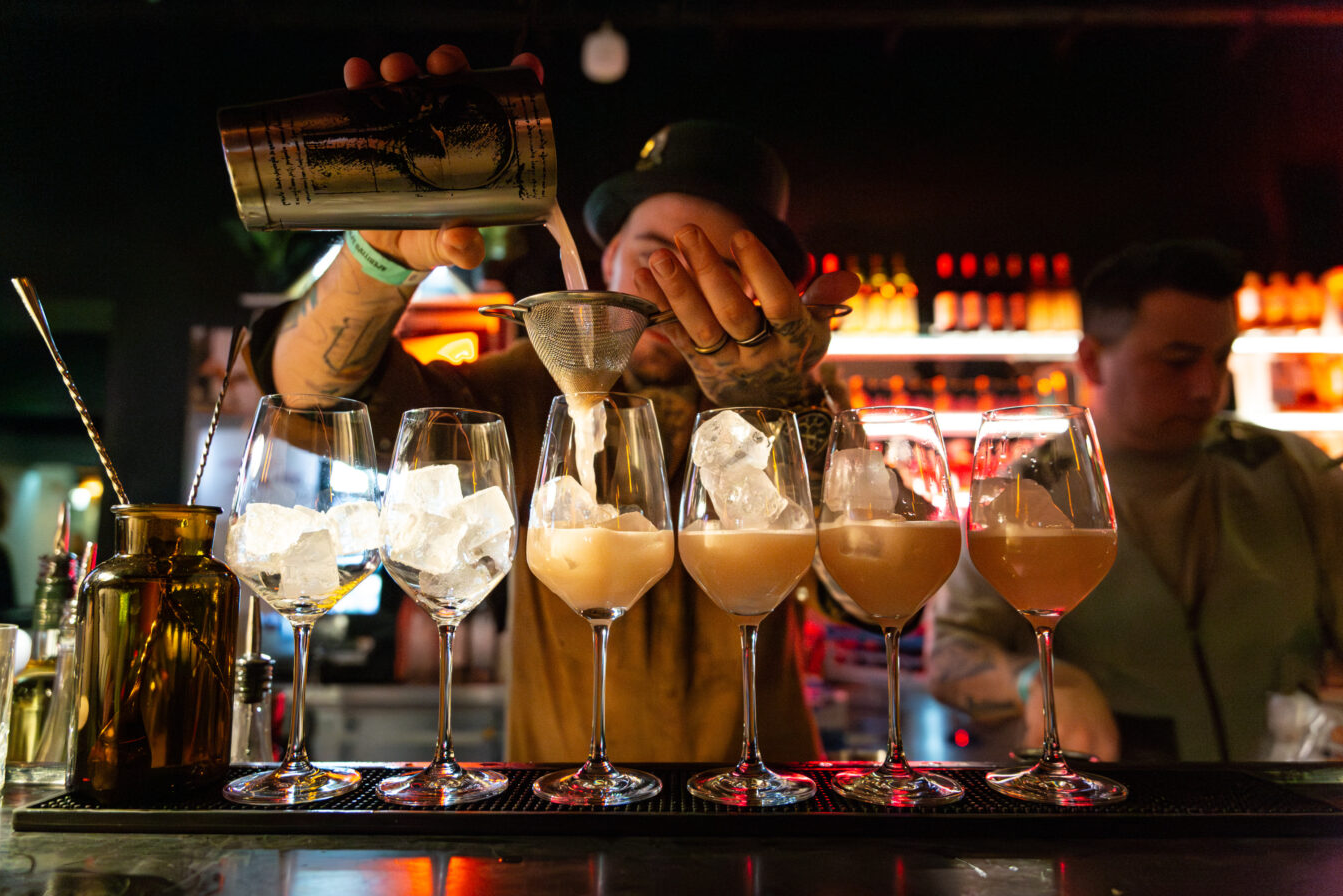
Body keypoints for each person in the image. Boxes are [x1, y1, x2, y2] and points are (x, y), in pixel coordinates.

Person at [246, 44, 859, 763]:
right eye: (656, 256)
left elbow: (868, 587)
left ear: (759, 289)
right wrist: (375, 258)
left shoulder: (800, 407)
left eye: (716, 270)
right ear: (606, 261)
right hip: (561, 809)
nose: (673, 292)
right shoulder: (532, 388)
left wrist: (788, 411)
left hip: (766, 810)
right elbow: (316, 403)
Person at [926, 238, 1343, 763]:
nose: (1207, 388)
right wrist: (1039, 678)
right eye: (1177, 362)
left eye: (1220, 358)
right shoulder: (1023, 490)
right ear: (1092, 360)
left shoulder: (1292, 470)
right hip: (1119, 811)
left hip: (1282, 808)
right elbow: (949, 652)